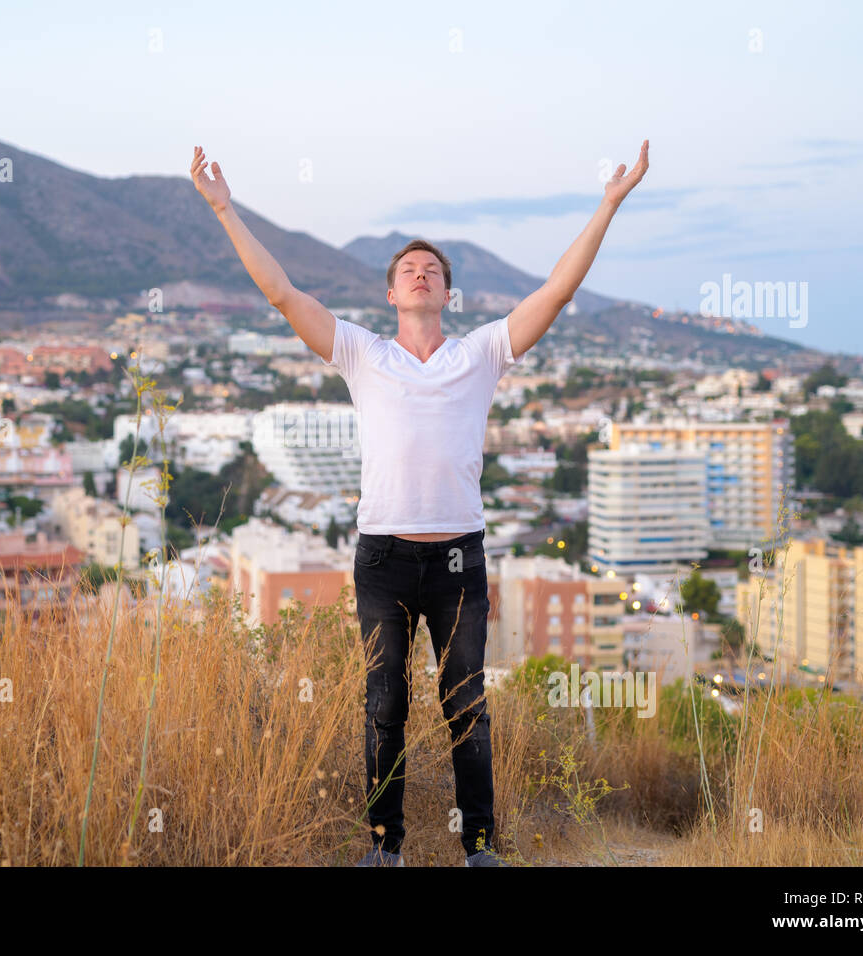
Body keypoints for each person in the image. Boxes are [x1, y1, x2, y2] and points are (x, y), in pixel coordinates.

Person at [190, 142, 649, 866]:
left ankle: (479, 849)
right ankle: (386, 849)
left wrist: (609, 204)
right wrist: (223, 208)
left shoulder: (481, 354)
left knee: (467, 705)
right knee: (384, 706)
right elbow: (283, 294)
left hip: (460, 559)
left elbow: (557, 293)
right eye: (408, 268)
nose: (420, 271)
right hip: (383, 558)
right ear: (392, 295)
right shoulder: (363, 353)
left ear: (446, 294)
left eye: (432, 268)